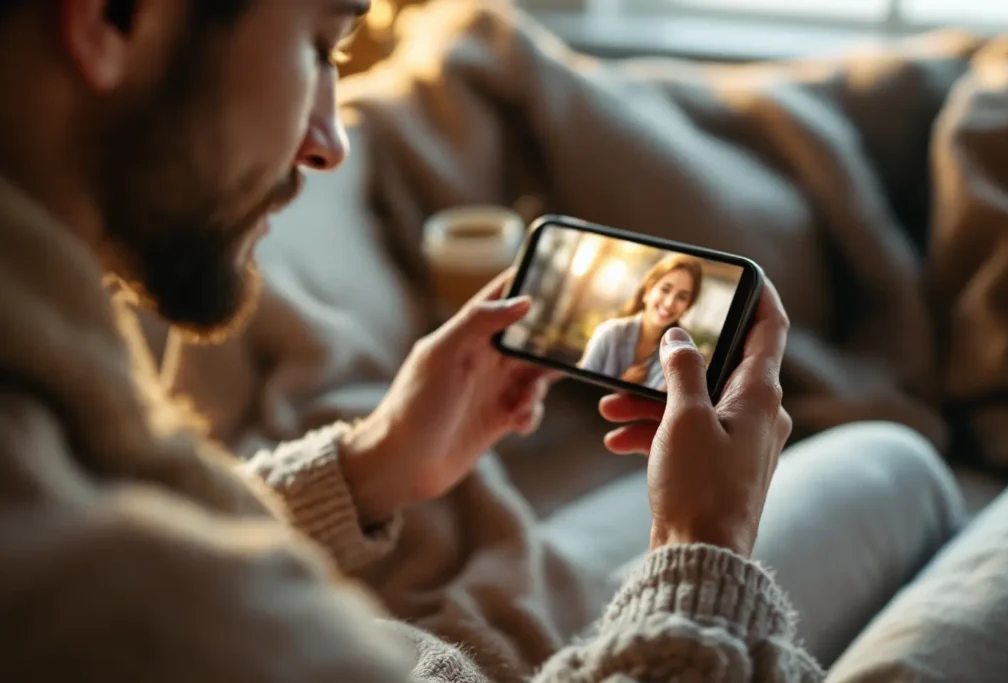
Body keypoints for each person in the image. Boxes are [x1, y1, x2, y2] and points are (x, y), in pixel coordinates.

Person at [0, 0, 816, 680]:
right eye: (318, 47)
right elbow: (174, 588)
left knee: (894, 469)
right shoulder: (94, 573)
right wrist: (703, 544)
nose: (331, 139)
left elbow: (175, 532)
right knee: (898, 466)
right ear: (112, 19)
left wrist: (367, 466)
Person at [578, 254, 703, 390]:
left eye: (681, 297)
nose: (669, 303)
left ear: (688, 307)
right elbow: (579, 391)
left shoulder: (677, 356)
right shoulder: (609, 333)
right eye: (665, 289)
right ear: (648, 291)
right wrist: (621, 384)